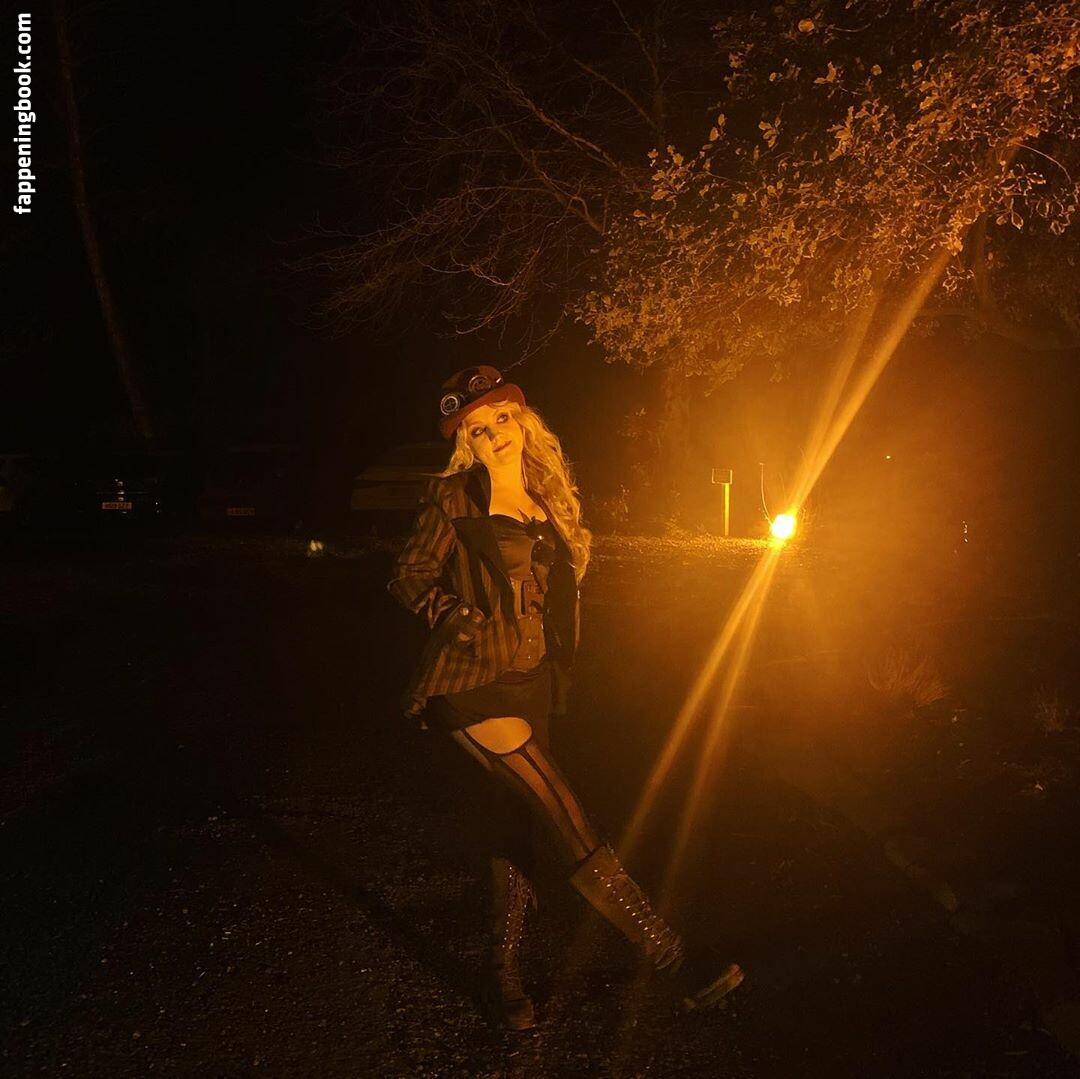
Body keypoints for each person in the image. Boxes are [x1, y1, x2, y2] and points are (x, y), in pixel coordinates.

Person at [387, 364, 743, 1030]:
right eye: (476, 428)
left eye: (500, 418)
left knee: (513, 826)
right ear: (465, 441)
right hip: (471, 683)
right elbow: (407, 576)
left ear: (521, 421)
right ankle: (672, 958)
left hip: (533, 685)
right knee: (566, 816)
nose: (493, 433)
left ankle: (500, 976)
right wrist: (457, 616)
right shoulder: (454, 498)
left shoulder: (544, 496)